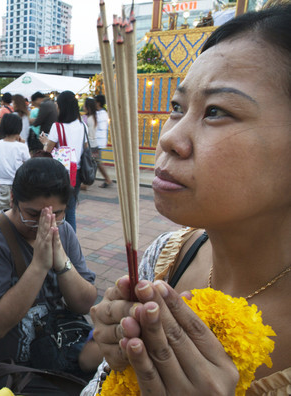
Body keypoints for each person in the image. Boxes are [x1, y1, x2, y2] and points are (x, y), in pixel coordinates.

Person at [84, 6, 291, 396]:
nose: (169, 138)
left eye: (216, 112)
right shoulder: (170, 255)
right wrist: (117, 361)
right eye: (178, 107)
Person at [0, 158, 97, 384]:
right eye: (33, 215)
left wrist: (61, 261)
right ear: (14, 199)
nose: (44, 224)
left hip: (57, 356)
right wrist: (39, 266)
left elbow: (84, 304)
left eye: (57, 214)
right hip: (5, 368)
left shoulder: (64, 232)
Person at [43, 91, 88, 231]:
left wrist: (45, 141)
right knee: (71, 209)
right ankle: (71, 239)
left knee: (56, 208)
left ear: (62, 107)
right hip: (77, 173)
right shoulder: (83, 126)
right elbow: (84, 148)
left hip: (59, 173)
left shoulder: (57, 127)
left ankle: (59, 237)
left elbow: (47, 151)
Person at [0, 114, 30, 214]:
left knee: (2, 213)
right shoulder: (21, 147)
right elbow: (29, 164)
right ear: (19, 129)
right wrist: (22, 143)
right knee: (18, 213)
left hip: (1, 185)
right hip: (18, 184)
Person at [82, 97, 112, 190]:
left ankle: (88, 182)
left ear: (98, 103)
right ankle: (105, 180)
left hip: (94, 142)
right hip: (96, 142)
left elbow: (91, 131)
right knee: (95, 162)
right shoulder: (100, 114)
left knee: (93, 162)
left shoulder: (97, 115)